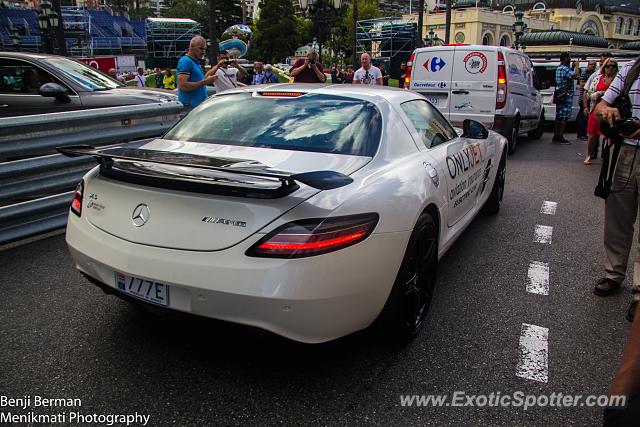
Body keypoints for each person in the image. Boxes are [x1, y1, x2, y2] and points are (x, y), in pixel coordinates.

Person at [593, 57, 640, 322]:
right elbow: (601, 106)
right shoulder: (632, 68)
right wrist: (606, 112)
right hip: (623, 153)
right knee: (617, 220)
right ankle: (614, 273)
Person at [584, 58, 618, 165]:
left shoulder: (618, 80)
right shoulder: (597, 79)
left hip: (611, 110)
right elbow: (589, 94)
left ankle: (606, 155)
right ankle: (590, 154)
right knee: (592, 135)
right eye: (608, 66)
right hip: (596, 109)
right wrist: (601, 93)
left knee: (608, 135)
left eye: (613, 66)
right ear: (604, 68)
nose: (610, 68)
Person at [177, 36, 217, 110]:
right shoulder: (186, 61)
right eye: (200, 48)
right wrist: (205, 82)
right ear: (191, 47)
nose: (203, 52)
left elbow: (198, 81)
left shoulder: (195, 62)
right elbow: (182, 86)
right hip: (189, 108)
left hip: (197, 108)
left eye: (205, 49)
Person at [552, 52, 579, 144]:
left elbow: (567, 76)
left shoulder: (559, 68)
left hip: (559, 93)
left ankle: (556, 135)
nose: (570, 60)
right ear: (565, 59)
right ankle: (560, 137)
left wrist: (571, 67)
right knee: (564, 116)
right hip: (566, 94)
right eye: (569, 58)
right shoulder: (565, 69)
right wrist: (577, 66)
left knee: (558, 115)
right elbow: (576, 76)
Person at [577, 60, 597, 141]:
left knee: (584, 116)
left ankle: (582, 133)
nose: (593, 66)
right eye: (591, 64)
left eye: (594, 64)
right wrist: (591, 85)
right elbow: (581, 85)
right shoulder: (585, 73)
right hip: (584, 98)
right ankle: (581, 134)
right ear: (588, 65)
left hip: (591, 97)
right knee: (583, 117)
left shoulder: (594, 73)